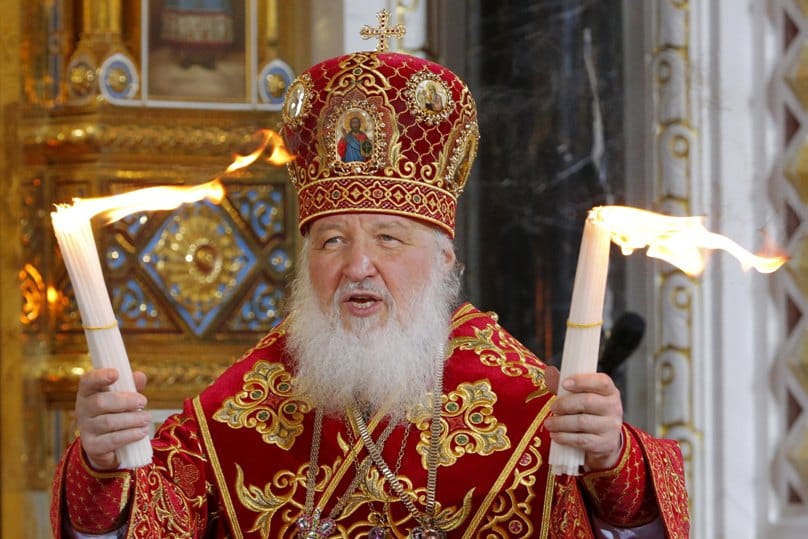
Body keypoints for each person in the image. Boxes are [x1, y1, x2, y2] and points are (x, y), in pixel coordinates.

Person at [50, 14, 690, 539]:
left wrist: (611, 457)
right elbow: (137, 515)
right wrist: (102, 462)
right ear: (306, 267)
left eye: (389, 238)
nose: (359, 265)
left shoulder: (526, 405)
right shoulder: (239, 411)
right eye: (332, 240)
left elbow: (622, 515)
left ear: (444, 261)